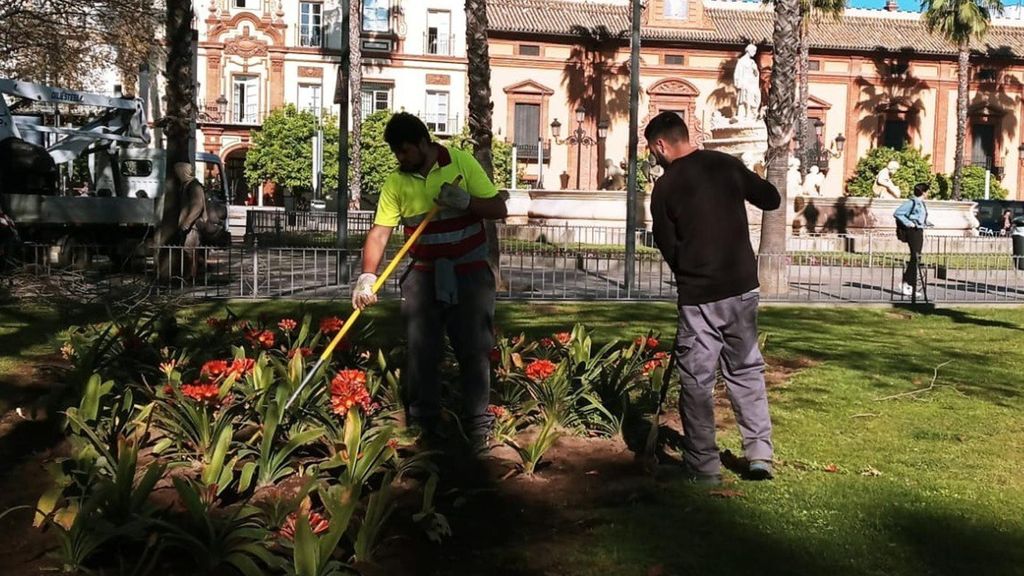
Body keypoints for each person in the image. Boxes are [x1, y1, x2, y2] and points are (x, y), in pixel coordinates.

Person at [352, 112, 508, 451]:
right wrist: (367, 275)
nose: (401, 158)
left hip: (469, 273)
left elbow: (498, 208)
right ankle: (424, 424)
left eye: (406, 151)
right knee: (422, 350)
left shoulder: (461, 163)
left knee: (474, 348)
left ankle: (478, 425)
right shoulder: (397, 181)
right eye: (397, 153)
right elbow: (380, 233)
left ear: (424, 143)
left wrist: (467, 202)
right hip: (422, 274)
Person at [645, 111, 780, 483]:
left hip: (699, 295)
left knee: (697, 381)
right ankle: (759, 456)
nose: (655, 158)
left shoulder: (665, 187)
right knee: (746, 371)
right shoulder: (726, 165)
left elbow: (666, 242)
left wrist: (687, 269)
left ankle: (704, 467)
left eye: (653, 151)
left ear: (661, 145)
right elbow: (771, 198)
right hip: (741, 288)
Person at [894, 182, 931, 298]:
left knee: (916, 257)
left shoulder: (921, 203)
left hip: (919, 230)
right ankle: (907, 283)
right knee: (916, 257)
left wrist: (926, 224)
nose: (928, 193)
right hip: (913, 232)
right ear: (924, 192)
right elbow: (898, 213)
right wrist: (909, 223)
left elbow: (920, 217)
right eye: (927, 191)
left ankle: (907, 283)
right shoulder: (912, 202)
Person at [733, 44, 761, 123]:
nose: (755, 53)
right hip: (745, 83)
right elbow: (737, 73)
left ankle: (753, 112)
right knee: (747, 98)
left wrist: (755, 70)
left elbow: (756, 74)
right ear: (749, 50)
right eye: (754, 51)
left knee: (757, 97)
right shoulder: (741, 61)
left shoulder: (752, 62)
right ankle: (747, 114)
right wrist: (738, 83)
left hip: (752, 83)